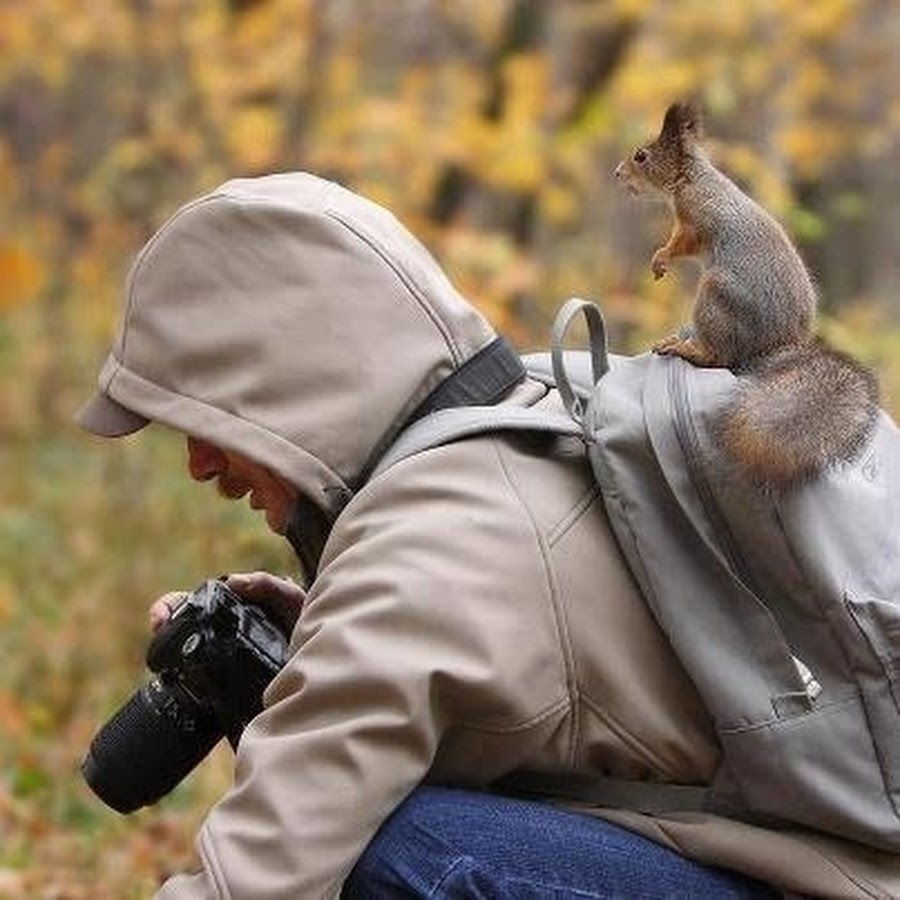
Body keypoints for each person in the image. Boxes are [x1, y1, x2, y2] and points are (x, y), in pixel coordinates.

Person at [76, 173, 899, 898]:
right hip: (826, 866)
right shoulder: (536, 405)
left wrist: (340, 656)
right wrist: (314, 649)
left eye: (205, 417)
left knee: (396, 850)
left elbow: (257, 876)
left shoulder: (426, 549)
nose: (198, 465)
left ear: (280, 381)